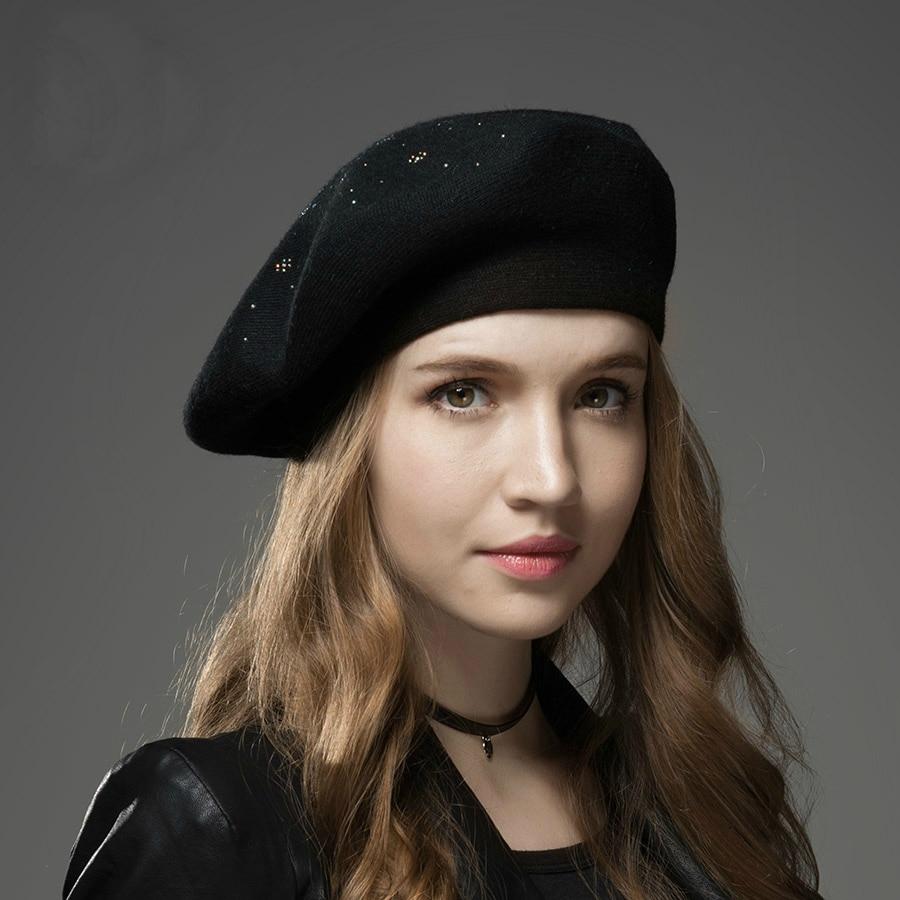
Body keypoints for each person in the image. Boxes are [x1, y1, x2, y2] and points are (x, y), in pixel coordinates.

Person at [62, 108, 825, 900]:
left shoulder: (708, 812)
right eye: (464, 393)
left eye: (600, 395)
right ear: (351, 444)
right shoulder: (216, 829)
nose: (551, 478)